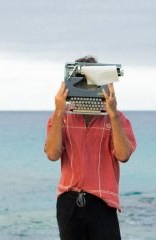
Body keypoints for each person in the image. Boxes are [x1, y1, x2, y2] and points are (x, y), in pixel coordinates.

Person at [44, 56, 137, 240]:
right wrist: (59, 110)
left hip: (103, 201)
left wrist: (112, 115)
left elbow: (123, 155)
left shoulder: (117, 119)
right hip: (69, 200)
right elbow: (53, 154)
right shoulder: (61, 118)